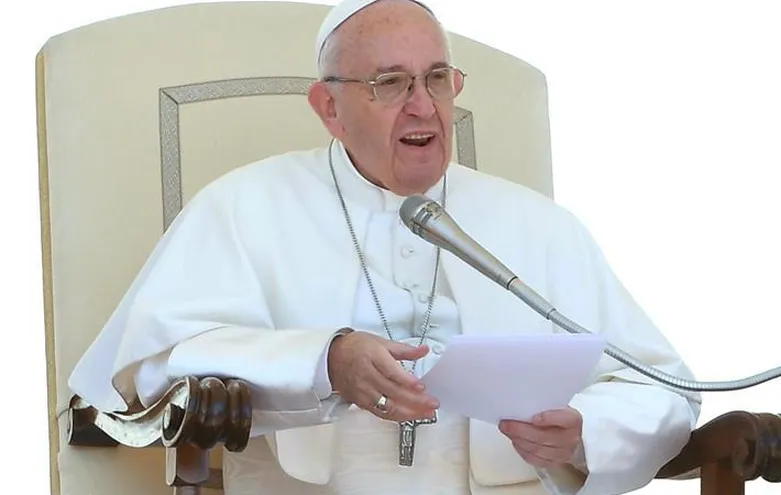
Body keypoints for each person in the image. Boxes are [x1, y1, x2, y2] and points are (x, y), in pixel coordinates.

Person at [68, 0, 701, 493]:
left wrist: (588, 432)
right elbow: (150, 370)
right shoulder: (240, 207)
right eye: (391, 83)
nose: (423, 106)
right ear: (330, 109)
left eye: (436, 80)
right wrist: (324, 358)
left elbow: (662, 385)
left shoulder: (540, 226)